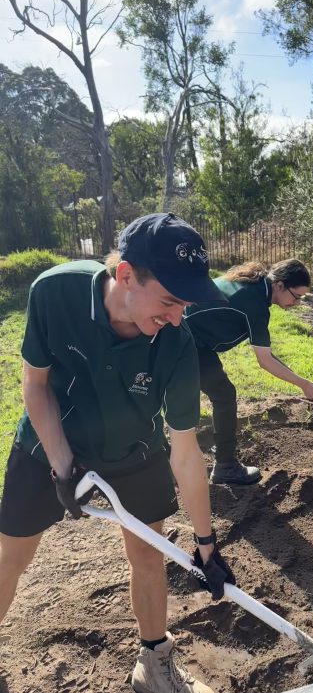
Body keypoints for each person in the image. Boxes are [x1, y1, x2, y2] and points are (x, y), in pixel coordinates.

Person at [0, 213, 235, 693]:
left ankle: (154, 663)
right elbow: (35, 384)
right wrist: (63, 467)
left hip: (135, 447)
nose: (176, 317)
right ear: (126, 275)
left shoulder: (177, 342)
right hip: (49, 441)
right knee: (11, 556)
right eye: (169, 300)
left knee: (148, 556)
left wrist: (207, 545)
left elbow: (186, 454)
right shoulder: (54, 292)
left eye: (185, 304)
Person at [184, 259, 313, 486]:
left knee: (219, 393)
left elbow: (266, 354)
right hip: (184, 340)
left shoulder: (254, 287)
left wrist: (303, 382)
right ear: (279, 285)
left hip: (191, 338)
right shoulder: (255, 303)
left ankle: (213, 461)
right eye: (296, 297)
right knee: (223, 395)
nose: (296, 303)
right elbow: (265, 361)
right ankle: (224, 466)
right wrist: (304, 384)